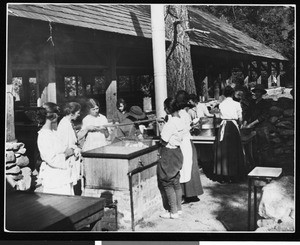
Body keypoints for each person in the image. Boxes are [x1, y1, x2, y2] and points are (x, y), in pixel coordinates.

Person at [36, 102, 75, 195]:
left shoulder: (53, 132)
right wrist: (67, 153)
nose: (58, 116)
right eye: (57, 113)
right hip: (54, 177)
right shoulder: (43, 135)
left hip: (63, 174)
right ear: (53, 115)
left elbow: (61, 148)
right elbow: (51, 159)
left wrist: (72, 150)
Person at [157, 97, 185, 219]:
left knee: (167, 183)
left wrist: (160, 127)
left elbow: (163, 140)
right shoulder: (180, 120)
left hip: (168, 153)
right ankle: (178, 209)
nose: (164, 109)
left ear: (168, 109)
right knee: (176, 181)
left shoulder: (170, 124)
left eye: (165, 107)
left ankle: (172, 212)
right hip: (178, 152)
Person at [213, 86, 246, 183]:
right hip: (232, 127)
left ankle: (224, 175)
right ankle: (234, 174)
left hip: (223, 127)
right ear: (232, 94)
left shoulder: (221, 104)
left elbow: (218, 117)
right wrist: (240, 125)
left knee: (224, 150)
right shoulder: (236, 104)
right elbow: (240, 118)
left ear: (224, 94)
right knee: (234, 150)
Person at [175, 90, 203, 203]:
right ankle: (191, 193)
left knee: (183, 167)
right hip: (187, 141)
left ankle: (183, 193)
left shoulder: (179, 114)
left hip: (182, 142)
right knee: (190, 166)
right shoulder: (185, 114)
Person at [243, 84, 274, 164]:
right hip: (253, 128)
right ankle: (256, 165)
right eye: (255, 92)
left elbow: (263, 116)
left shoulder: (265, 103)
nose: (256, 94)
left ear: (262, 93)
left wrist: (252, 124)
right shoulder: (252, 102)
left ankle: (266, 166)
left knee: (264, 147)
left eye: (258, 92)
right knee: (254, 147)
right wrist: (245, 122)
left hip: (262, 127)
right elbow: (248, 114)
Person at [56, 102, 83, 195]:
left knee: (70, 185)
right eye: (78, 112)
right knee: (66, 186)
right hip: (66, 160)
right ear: (72, 113)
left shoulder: (69, 123)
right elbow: (65, 147)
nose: (79, 115)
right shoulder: (64, 125)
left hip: (70, 158)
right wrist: (75, 150)